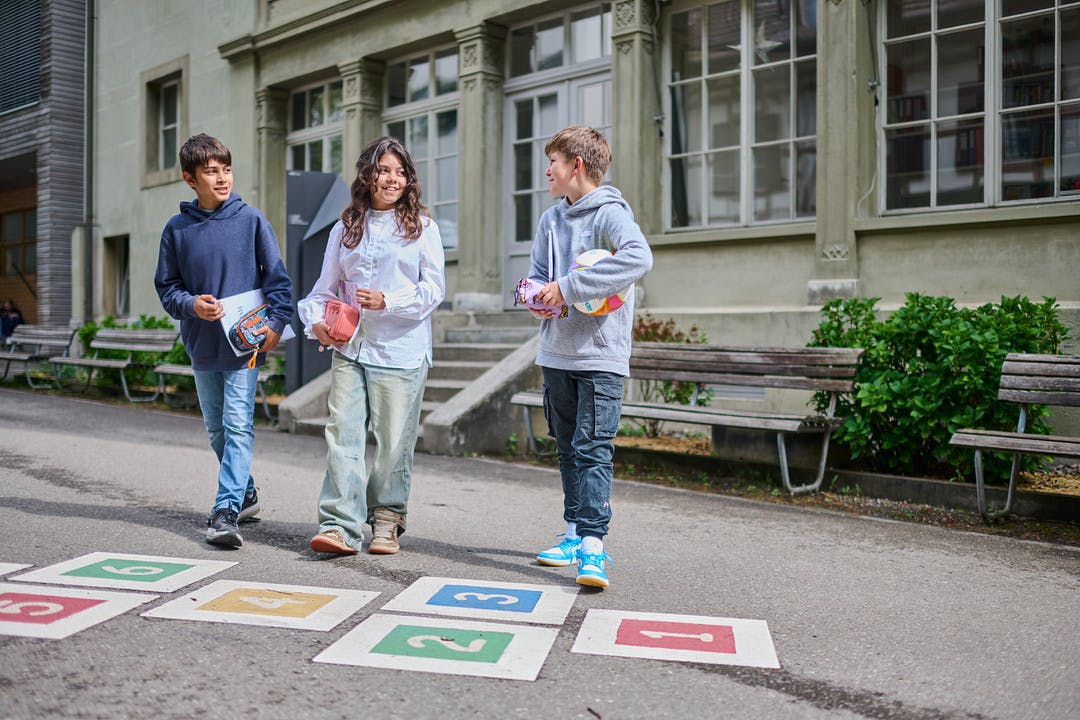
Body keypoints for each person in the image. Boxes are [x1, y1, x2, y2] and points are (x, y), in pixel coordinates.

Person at [298, 136, 445, 556]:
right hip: (351, 349)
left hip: (401, 350)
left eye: (400, 172)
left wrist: (388, 301)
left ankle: (386, 519)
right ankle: (340, 525)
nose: (392, 179)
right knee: (342, 435)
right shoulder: (346, 229)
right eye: (384, 170)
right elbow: (321, 292)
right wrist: (317, 325)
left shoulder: (422, 227)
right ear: (368, 174)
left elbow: (433, 290)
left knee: (393, 443)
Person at [525, 126, 653, 589]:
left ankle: (595, 547)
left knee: (593, 449)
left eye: (553, 162)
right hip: (556, 351)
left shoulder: (612, 214)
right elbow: (540, 274)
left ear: (576, 165)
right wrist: (536, 294)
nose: (547, 170)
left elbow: (639, 259)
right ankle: (575, 532)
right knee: (565, 448)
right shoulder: (549, 220)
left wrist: (570, 288)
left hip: (600, 358)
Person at [155, 133, 293, 549]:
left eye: (226, 169)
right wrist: (192, 305)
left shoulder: (251, 220)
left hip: (244, 346)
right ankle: (246, 492)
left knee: (237, 424)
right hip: (202, 345)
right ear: (189, 178)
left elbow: (279, 283)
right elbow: (167, 288)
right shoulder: (176, 230)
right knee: (217, 429)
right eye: (211, 171)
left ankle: (226, 510)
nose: (222, 178)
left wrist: (276, 324)